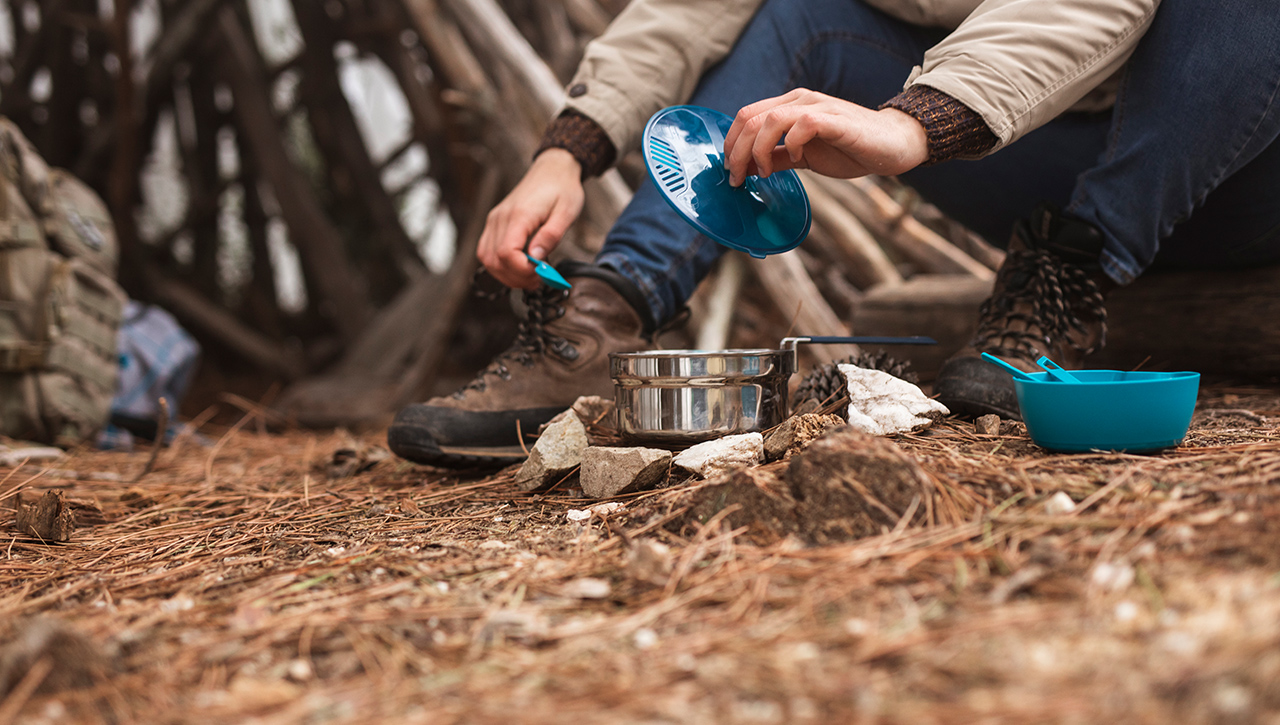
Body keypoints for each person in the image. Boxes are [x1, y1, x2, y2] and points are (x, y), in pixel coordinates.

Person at [388, 0, 1280, 467]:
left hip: (1235, 162)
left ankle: (1064, 274)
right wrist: (567, 151)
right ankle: (608, 310)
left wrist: (916, 123)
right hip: (1033, 152)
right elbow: (688, 9)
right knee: (797, 9)